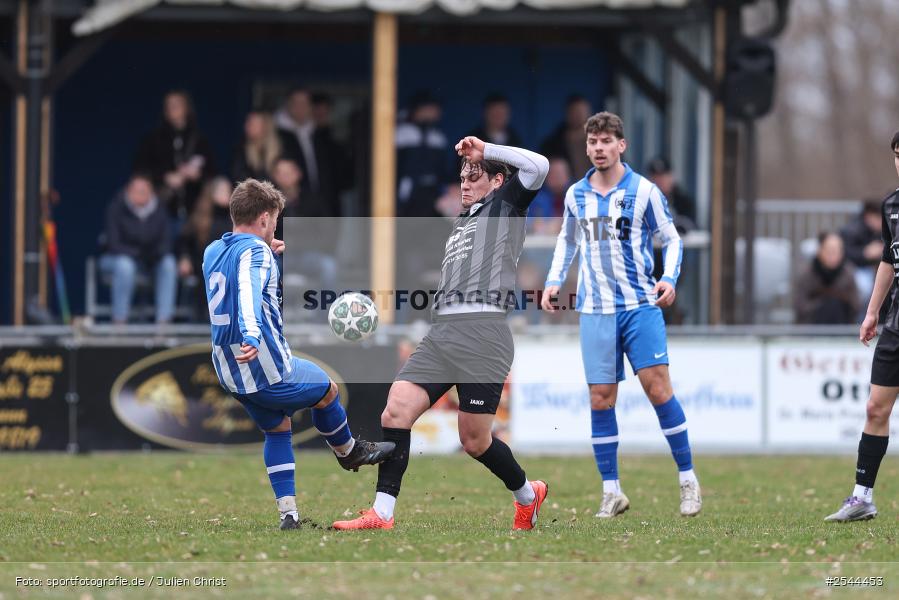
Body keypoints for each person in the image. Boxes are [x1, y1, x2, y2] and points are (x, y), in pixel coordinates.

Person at [333, 136, 551, 531]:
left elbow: (538, 166)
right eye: (462, 177)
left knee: (474, 441)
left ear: (498, 181)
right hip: (443, 333)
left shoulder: (506, 207)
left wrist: (487, 150)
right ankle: (381, 514)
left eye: (474, 176)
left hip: (485, 334)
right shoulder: (463, 221)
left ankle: (527, 494)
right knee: (396, 409)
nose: (464, 183)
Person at [202, 179, 394, 530]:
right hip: (265, 365)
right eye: (274, 220)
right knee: (328, 390)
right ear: (263, 218)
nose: (276, 226)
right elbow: (246, 291)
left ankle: (288, 515)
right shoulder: (256, 254)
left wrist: (264, 250)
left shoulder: (214, 250)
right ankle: (349, 451)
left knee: (278, 428)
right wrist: (252, 332)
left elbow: (236, 274)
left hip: (230, 371)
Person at [541, 111, 701, 519]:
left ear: (621, 145)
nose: (598, 148)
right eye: (593, 142)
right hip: (595, 311)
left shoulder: (644, 191)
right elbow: (567, 240)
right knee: (600, 398)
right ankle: (611, 492)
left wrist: (668, 277)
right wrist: (554, 281)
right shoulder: (577, 194)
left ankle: (687, 479)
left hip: (639, 306)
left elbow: (671, 238)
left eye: (606, 141)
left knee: (658, 389)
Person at [825, 131, 899, 522]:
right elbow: (888, 260)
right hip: (896, 324)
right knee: (875, 407)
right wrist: (872, 312)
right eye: (898, 154)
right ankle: (861, 498)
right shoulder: (891, 207)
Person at [99, 174, 177, 324]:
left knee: (168, 264)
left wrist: (153, 254)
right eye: (137, 191)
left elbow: (166, 242)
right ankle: (119, 322)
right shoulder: (116, 207)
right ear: (128, 191)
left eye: (145, 191)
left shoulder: (160, 209)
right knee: (125, 266)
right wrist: (139, 254)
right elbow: (113, 244)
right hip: (117, 258)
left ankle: (163, 323)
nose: (141, 195)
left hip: (150, 260)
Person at [134, 90, 216, 222]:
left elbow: (212, 173)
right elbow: (140, 170)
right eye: (169, 105)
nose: (172, 109)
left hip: (195, 212)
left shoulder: (199, 140)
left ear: (187, 108)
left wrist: (197, 175)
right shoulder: (153, 140)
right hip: (161, 211)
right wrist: (166, 177)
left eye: (177, 104)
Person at [275, 88, 343, 217]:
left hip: (325, 207)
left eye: (305, 103)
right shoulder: (278, 137)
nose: (300, 108)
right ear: (288, 106)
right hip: (293, 208)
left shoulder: (320, 135)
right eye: (296, 103)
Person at [177, 177, 234, 320]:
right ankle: (203, 320)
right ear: (211, 193)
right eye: (222, 191)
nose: (226, 194)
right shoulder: (200, 216)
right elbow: (184, 241)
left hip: (229, 263)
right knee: (210, 274)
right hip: (203, 264)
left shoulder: (235, 217)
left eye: (228, 190)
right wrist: (184, 258)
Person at [395, 91, 449, 217]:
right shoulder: (401, 134)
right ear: (417, 110)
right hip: (407, 193)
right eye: (430, 109)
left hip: (432, 193)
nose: (435, 112)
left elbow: (442, 170)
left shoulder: (437, 137)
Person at [793, 232, 859, 324]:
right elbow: (800, 306)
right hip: (812, 326)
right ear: (820, 250)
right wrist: (822, 304)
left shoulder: (848, 273)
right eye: (830, 250)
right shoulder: (807, 273)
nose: (833, 254)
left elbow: (855, 305)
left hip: (841, 324)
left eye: (837, 250)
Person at [841, 198, 884, 318]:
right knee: (865, 287)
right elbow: (844, 255)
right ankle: (861, 320)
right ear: (869, 216)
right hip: (853, 269)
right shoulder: (852, 230)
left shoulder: (878, 231)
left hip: (872, 269)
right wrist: (864, 253)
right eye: (879, 218)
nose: (882, 222)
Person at [540, 94, 593, 179]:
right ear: (568, 113)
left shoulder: (600, 142)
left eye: (582, 111)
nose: (579, 115)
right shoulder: (553, 144)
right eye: (575, 112)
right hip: (566, 190)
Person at [231, 111, 288, 182]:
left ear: (265, 127)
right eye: (247, 122)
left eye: (253, 124)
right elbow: (238, 178)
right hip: (252, 191)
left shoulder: (281, 147)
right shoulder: (242, 149)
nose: (247, 126)